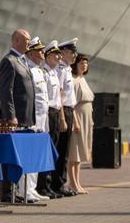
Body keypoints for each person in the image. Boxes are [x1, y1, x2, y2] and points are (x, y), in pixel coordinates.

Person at [0, 28, 35, 202]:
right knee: (9, 156)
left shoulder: (21, 61)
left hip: (24, 118)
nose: (29, 42)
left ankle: (16, 191)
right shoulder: (9, 61)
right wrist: (11, 116)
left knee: (18, 156)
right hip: (13, 119)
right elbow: (6, 91)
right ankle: (6, 193)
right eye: (27, 40)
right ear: (16, 40)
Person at [17, 37, 49, 203]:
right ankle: (23, 190)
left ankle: (32, 188)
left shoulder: (40, 70)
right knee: (28, 154)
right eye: (39, 51)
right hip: (32, 118)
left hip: (42, 118)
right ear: (30, 53)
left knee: (36, 154)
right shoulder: (27, 70)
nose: (43, 53)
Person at [36, 40, 65, 200]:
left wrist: (61, 118)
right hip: (48, 115)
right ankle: (43, 186)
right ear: (47, 56)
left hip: (55, 114)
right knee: (46, 151)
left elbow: (58, 100)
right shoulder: (44, 74)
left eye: (60, 54)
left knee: (53, 152)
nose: (59, 57)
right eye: (56, 54)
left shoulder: (54, 74)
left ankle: (49, 184)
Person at [51, 38, 78, 197]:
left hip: (69, 111)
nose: (75, 55)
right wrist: (62, 118)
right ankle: (57, 183)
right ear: (63, 53)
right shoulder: (61, 69)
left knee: (65, 150)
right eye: (71, 52)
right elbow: (59, 95)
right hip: (62, 111)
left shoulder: (67, 69)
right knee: (60, 149)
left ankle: (61, 182)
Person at [67, 54, 94, 194]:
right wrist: (76, 121)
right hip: (78, 119)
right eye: (81, 63)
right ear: (75, 65)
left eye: (86, 63)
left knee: (79, 154)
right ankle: (72, 182)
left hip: (86, 119)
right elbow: (72, 104)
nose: (84, 65)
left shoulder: (83, 80)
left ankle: (77, 181)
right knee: (74, 152)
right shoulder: (74, 81)